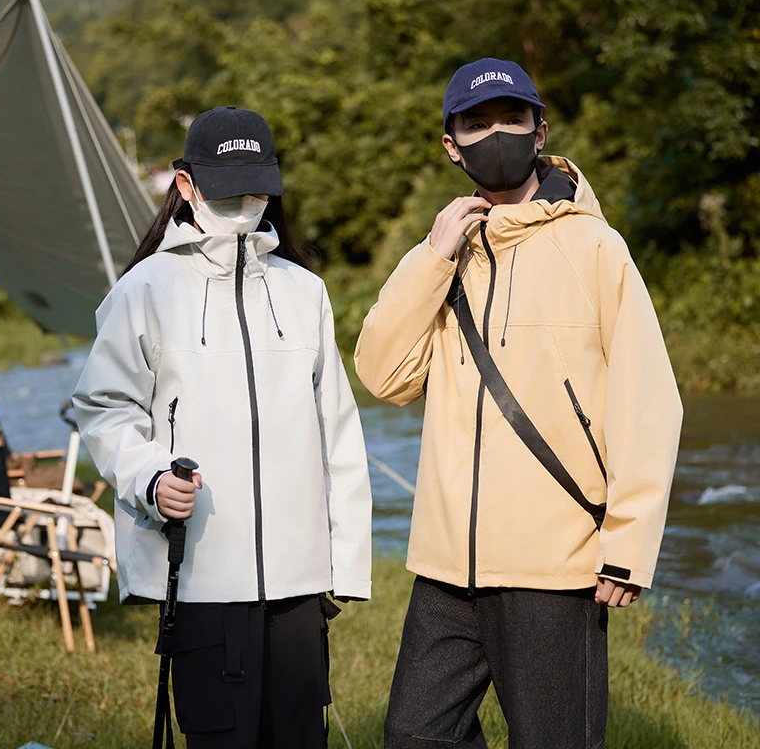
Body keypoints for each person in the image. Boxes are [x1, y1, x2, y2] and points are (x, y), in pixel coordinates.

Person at [354, 58, 683, 748]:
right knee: (413, 737)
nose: (496, 132)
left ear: (539, 131)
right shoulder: (447, 255)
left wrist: (627, 543)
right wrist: (432, 256)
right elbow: (383, 375)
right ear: (452, 145)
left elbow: (647, 398)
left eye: (511, 117)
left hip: (553, 567)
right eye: (477, 123)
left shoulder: (595, 246)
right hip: (446, 570)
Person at [73, 106, 372, 748]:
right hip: (200, 579)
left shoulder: (305, 292)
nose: (243, 200)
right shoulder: (144, 289)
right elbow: (105, 408)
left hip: (300, 588)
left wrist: (343, 567)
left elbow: (339, 436)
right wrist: (150, 478)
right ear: (186, 184)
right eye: (226, 185)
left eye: (255, 185)